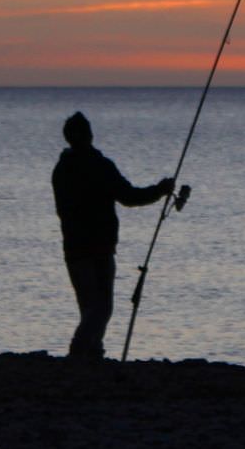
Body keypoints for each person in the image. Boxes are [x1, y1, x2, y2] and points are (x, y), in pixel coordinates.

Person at [51, 111, 174, 361]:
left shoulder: (62, 169)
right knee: (101, 307)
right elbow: (129, 196)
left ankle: (94, 354)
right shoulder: (99, 166)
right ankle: (79, 353)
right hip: (97, 247)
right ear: (89, 135)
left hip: (75, 247)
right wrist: (160, 191)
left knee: (89, 306)